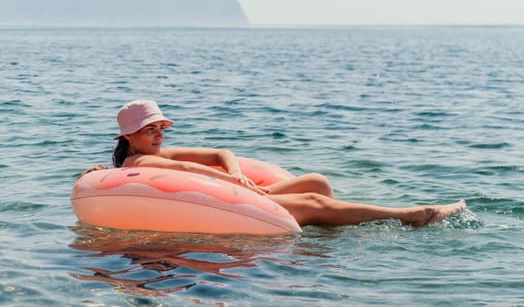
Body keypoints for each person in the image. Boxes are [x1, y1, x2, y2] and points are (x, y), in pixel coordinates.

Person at [103, 100, 465, 228]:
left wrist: (236, 175)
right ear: (128, 137)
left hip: (236, 191)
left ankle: (322, 231)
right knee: (314, 202)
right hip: (225, 203)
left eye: (160, 127)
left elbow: (220, 153)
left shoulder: (159, 153)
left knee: (317, 181)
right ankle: (412, 216)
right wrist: (231, 183)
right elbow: (186, 172)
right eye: (149, 129)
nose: (158, 134)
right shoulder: (140, 160)